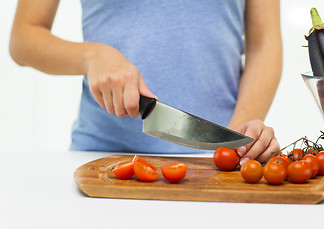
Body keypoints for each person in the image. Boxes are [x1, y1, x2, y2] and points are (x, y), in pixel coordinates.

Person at [9, 0, 282, 163]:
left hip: (216, 163)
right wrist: (93, 56)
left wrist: (235, 142)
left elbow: (264, 43)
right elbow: (24, 37)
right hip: (102, 162)